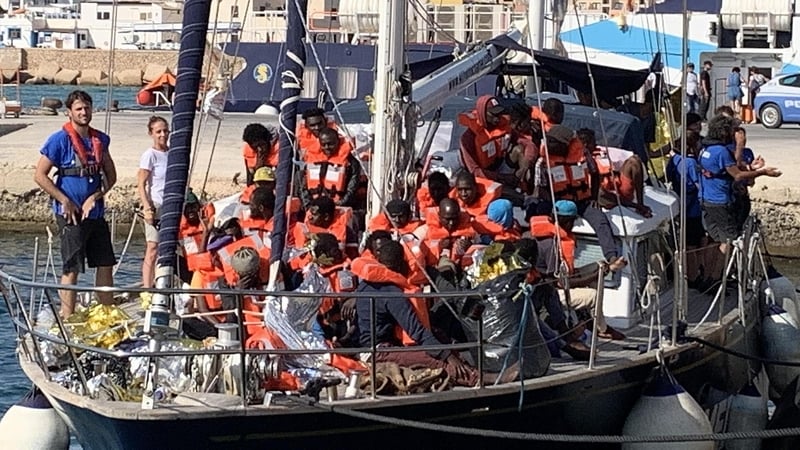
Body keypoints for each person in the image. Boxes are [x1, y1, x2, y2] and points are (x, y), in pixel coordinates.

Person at [33, 90, 117, 318]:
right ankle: (67, 316)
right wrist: (64, 201)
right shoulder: (58, 141)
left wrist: (96, 196)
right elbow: (40, 175)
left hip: (95, 213)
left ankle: (108, 312)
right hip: (71, 214)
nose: (83, 112)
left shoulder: (100, 140)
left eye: (87, 108)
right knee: (72, 267)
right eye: (78, 109)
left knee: (105, 262)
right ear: (69, 112)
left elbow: (111, 176)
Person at [353, 240, 481, 386]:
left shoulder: (364, 285)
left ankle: (473, 370)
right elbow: (417, 332)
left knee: (438, 335)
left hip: (378, 345)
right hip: (378, 352)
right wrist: (448, 356)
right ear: (402, 263)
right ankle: (477, 379)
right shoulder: (391, 293)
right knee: (432, 359)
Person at [699, 114, 781, 284]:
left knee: (715, 239)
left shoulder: (705, 149)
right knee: (729, 240)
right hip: (721, 201)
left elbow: (727, 168)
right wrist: (763, 172)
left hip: (706, 200)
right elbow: (737, 175)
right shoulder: (721, 151)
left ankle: (707, 276)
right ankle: (715, 279)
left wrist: (749, 165)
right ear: (724, 132)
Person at [137, 115, 169, 288]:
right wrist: (147, 207)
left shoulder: (172, 153)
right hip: (156, 204)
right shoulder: (150, 155)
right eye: (158, 132)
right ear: (151, 133)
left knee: (170, 247)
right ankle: (148, 288)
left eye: (165, 131)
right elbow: (141, 183)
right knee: (152, 248)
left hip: (171, 205)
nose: (163, 134)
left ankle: (164, 281)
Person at [457, 95, 514, 185]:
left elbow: (523, 141)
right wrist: (500, 177)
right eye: (493, 114)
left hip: (499, 166)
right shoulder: (468, 138)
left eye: (499, 114)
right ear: (483, 113)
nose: (497, 118)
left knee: (520, 150)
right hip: (480, 176)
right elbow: (475, 171)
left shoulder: (503, 126)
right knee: (513, 196)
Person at [300, 127, 361, 209]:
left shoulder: (351, 163)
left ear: (338, 142)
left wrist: (338, 204)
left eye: (330, 144)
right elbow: (304, 187)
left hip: (338, 207)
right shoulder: (311, 159)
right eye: (323, 144)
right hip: (314, 208)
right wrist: (309, 206)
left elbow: (351, 190)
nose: (327, 147)